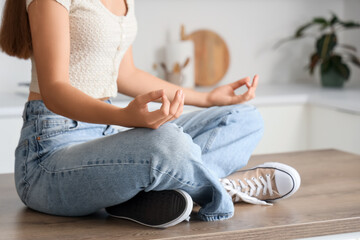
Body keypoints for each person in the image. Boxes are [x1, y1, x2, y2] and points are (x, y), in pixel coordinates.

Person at [0, 0, 301, 228]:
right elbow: (54, 89)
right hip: (48, 157)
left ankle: (144, 193)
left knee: (243, 117)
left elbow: (126, 74)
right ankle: (220, 190)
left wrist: (207, 98)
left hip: (106, 138)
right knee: (166, 144)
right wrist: (124, 117)